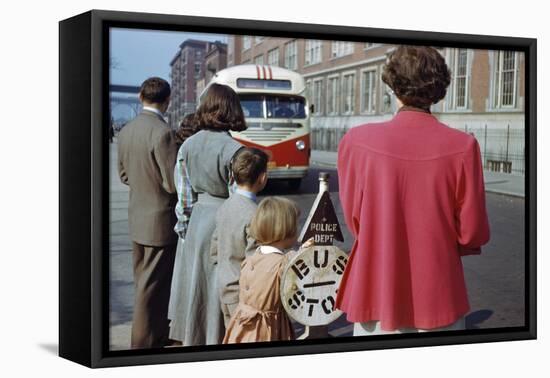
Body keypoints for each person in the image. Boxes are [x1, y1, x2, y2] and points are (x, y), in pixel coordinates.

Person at [335, 46, 490, 335]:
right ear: (438, 89)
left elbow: (356, 221)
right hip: (438, 295)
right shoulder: (463, 146)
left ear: (393, 86)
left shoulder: (356, 141)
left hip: (376, 288)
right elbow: (473, 232)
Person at [168, 83, 246, 346]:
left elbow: (184, 197)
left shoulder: (187, 145)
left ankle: (193, 338)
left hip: (197, 222)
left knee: (195, 288)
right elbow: (239, 200)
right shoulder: (234, 150)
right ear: (230, 109)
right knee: (217, 287)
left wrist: (185, 230)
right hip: (221, 221)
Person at [117, 77, 179, 348]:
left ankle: (154, 335)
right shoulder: (163, 132)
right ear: (167, 100)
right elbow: (171, 183)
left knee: (145, 282)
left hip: (137, 217)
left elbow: (123, 174)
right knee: (150, 288)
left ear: (141, 96)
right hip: (160, 221)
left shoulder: (127, 129)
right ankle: (142, 344)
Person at [223, 197, 311, 344]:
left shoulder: (252, 257)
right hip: (269, 329)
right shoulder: (283, 263)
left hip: (242, 326)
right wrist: (305, 252)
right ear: (286, 230)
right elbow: (300, 273)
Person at [210, 147, 269, 328]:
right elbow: (255, 263)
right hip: (245, 296)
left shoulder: (225, 206)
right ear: (262, 178)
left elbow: (214, 249)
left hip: (225, 287)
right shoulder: (255, 214)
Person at [167, 113, 199, 346]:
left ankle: (180, 330)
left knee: (183, 284)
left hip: (185, 227)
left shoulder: (183, 152)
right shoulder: (190, 154)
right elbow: (185, 201)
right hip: (191, 227)